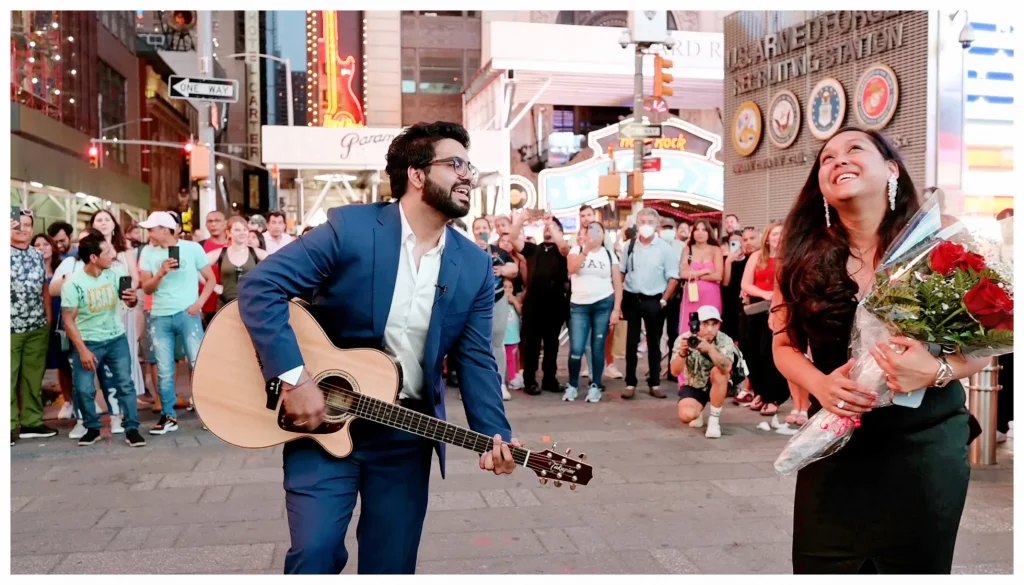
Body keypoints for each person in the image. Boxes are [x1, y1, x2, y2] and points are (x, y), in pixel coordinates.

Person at [237, 121, 521, 575]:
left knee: (390, 567)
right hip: (320, 418)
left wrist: (495, 433)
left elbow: (476, 359)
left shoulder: (473, 265)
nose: (469, 175)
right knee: (314, 553)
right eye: (457, 164)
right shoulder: (350, 228)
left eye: (471, 166)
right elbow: (259, 287)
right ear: (417, 174)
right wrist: (295, 378)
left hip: (405, 433)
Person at [773, 127, 990, 574]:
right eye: (827, 158)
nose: (838, 160)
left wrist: (934, 370)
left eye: (854, 149)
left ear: (891, 168)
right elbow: (783, 345)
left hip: (924, 449)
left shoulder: (942, 243)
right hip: (835, 447)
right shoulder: (801, 253)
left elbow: (982, 347)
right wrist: (819, 383)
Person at [61, 230, 146, 447]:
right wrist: (82, 350)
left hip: (116, 339)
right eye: (107, 252)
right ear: (93, 258)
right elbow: (68, 320)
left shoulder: (115, 275)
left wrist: (132, 300)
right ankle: (92, 427)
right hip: (88, 341)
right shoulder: (73, 284)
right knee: (83, 388)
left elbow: (129, 304)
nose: (113, 255)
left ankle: (132, 428)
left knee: (125, 384)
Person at [139, 211, 217, 435]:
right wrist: (161, 272)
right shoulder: (148, 252)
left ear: (166, 229)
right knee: (164, 368)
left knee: (198, 363)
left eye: (153, 229)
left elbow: (210, 279)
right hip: (160, 315)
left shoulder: (192, 248)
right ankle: (168, 415)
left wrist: (198, 304)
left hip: (188, 313)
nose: (149, 233)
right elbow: (146, 288)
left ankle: (208, 413)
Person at [508, 210, 570, 396]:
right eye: (545, 227)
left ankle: (550, 379)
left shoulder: (563, 250)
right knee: (532, 344)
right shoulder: (533, 249)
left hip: (555, 303)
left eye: (552, 227)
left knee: (552, 344)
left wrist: (552, 224)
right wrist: (520, 220)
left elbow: (564, 247)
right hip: (534, 304)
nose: (547, 230)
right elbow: (513, 238)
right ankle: (530, 381)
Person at [619, 208, 679, 399]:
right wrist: (619, 300)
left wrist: (663, 300)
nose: (646, 225)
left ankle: (654, 382)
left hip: (654, 300)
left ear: (656, 225)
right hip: (631, 298)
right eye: (642, 221)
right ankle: (630, 382)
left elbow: (673, 278)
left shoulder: (665, 249)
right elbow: (620, 272)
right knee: (630, 343)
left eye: (649, 222)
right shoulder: (629, 246)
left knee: (654, 343)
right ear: (637, 223)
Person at [11, 210, 57, 444]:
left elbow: (44, 289)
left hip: (36, 325)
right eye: (18, 224)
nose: (23, 229)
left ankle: (31, 421)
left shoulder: (37, 255)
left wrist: (47, 320)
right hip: (9, 328)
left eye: (28, 225)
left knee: (32, 377)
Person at [564, 221, 622, 403]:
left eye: (599, 231)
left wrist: (616, 309)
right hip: (579, 305)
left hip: (603, 303)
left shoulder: (609, 254)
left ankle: (595, 385)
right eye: (591, 230)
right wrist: (585, 250)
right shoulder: (576, 250)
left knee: (598, 347)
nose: (594, 234)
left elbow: (617, 284)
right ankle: (572, 385)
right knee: (577, 348)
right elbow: (572, 269)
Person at [741, 221, 788, 416]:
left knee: (768, 353)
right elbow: (746, 284)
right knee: (750, 352)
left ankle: (772, 397)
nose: (778, 237)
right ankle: (759, 392)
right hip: (755, 308)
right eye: (775, 234)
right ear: (767, 237)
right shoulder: (756, 257)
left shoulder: (788, 257)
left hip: (778, 310)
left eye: (782, 234)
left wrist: (775, 297)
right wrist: (765, 293)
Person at [669, 306, 736, 438]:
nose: (710, 329)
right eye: (705, 324)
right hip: (694, 384)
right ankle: (698, 411)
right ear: (697, 324)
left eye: (714, 324)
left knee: (719, 372)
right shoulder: (685, 339)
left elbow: (727, 367)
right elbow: (675, 372)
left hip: (717, 383)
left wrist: (710, 350)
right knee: (686, 415)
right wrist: (682, 353)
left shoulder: (724, 339)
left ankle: (714, 420)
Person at [471, 217, 517, 400]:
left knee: (497, 340)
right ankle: (474, 386)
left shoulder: (499, 252)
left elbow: (514, 268)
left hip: (497, 298)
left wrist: (503, 271)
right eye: (477, 228)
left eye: (484, 227)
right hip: (474, 302)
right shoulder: (467, 249)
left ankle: (500, 384)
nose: (481, 230)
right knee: (474, 344)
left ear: (489, 230)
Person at [208, 216, 269, 308]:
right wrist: (214, 286)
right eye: (237, 230)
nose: (242, 233)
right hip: (225, 305)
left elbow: (278, 266)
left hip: (252, 305)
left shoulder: (256, 252)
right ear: (229, 232)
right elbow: (196, 266)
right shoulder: (221, 253)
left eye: (245, 229)